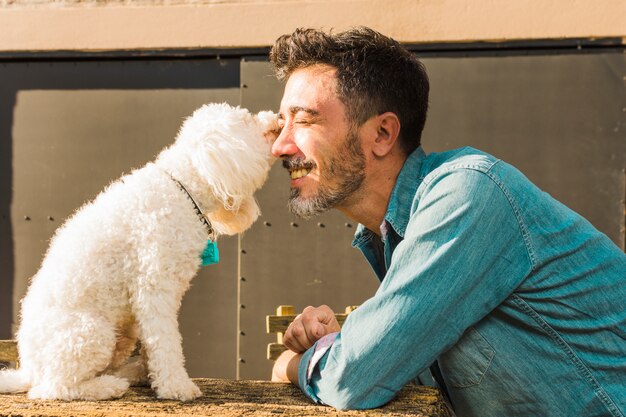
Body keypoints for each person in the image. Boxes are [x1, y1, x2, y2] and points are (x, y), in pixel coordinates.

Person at [268, 26, 626, 417]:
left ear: (383, 133)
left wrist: (293, 364)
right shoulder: (392, 234)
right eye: (281, 123)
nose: (280, 146)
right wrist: (339, 340)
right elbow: (389, 366)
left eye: (303, 121)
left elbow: (354, 377)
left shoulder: (467, 193)